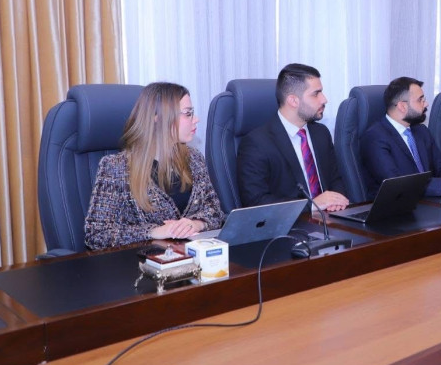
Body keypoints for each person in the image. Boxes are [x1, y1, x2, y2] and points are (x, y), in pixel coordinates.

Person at [84, 82, 224, 250]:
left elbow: (216, 212)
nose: (196, 119)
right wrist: (153, 232)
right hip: (143, 261)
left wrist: (196, 224)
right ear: (158, 118)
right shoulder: (116, 167)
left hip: (193, 257)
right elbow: (97, 234)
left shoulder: (194, 158)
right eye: (188, 113)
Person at [236, 63, 349, 210]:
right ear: (293, 100)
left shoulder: (321, 133)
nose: (324, 99)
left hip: (331, 217)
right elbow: (256, 202)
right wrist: (312, 206)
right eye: (316, 94)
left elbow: (335, 179)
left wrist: (336, 202)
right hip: (293, 223)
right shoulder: (256, 143)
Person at [361, 77, 441, 198]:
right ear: (402, 106)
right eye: (420, 100)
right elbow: (396, 183)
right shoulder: (375, 137)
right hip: (396, 205)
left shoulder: (421, 131)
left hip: (428, 200)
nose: (426, 104)